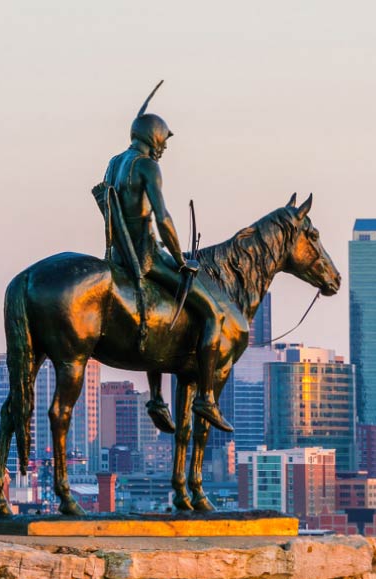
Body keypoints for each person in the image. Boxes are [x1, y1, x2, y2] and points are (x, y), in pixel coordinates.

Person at [92, 82, 233, 433]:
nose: (165, 147)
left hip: (116, 257)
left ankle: (156, 397)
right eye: (164, 141)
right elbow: (163, 218)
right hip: (147, 258)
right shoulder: (147, 168)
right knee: (212, 313)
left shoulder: (114, 163)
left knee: (162, 313)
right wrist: (181, 259)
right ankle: (206, 398)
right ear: (153, 137)